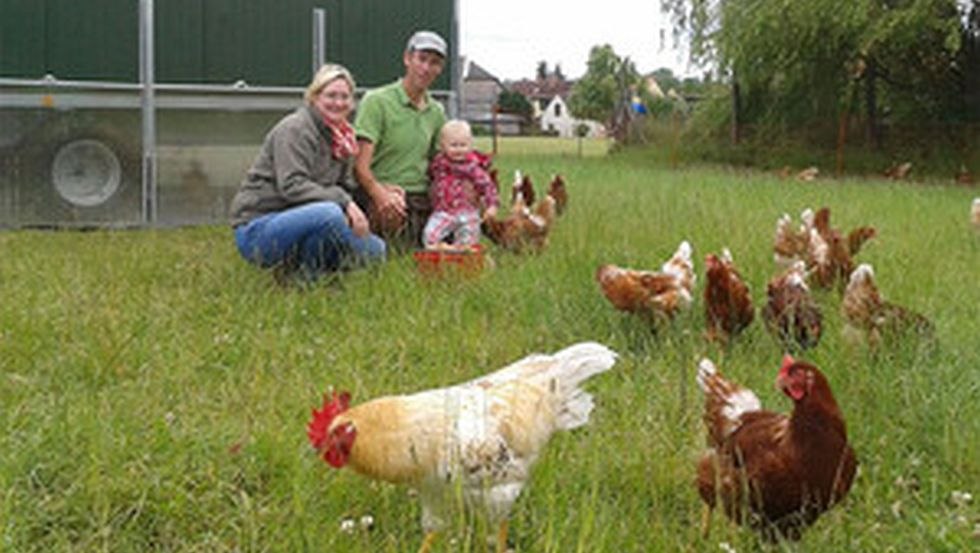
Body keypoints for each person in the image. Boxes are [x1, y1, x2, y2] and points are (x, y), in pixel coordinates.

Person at [230, 64, 385, 281]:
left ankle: (310, 270)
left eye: (345, 97)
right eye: (331, 95)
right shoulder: (295, 129)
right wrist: (345, 203)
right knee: (330, 214)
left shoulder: (343, 138)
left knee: (376, 251)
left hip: (310, 217)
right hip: (260, 227)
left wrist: (382, 193)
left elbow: (344, 186)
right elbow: (292, 185)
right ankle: (306, 277)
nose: (338, 103)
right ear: (314, 97)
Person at [353, 30, 448, 248]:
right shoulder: (376, 101)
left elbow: (439, 164)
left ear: (440, 69)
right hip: (382, 191)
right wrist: (381, 194)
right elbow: (360, 167)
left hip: (420, 194)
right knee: (393, 218)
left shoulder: (436, 112)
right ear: (407, 59)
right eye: (421, 59)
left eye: (434, 63)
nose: (426, 68)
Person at [422, 120, 498, 247]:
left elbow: (487, 186)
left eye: (463, 145)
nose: (459, 150)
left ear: (470, 145)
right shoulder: (438, 164)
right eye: (454, 145)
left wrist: (492, 205)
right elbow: (431, 176)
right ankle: (438, 251)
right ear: (442, 146)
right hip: (444, 211)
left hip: (468, 211)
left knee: (468, 240)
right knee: (430, 235)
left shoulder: (473, 167)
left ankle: (462, 254)